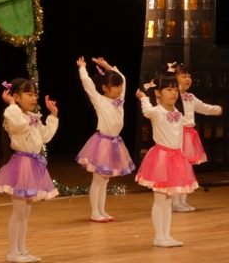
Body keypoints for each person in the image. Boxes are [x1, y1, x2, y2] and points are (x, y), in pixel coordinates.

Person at [0, 79, 58, 263]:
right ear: (17, 97)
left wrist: (53, 116)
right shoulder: (13, 116)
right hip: (21, 166)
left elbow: (45, 137)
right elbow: (19, 125)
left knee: (26, 213)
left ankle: (22, 249)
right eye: (29, 94)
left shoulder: (33, 117)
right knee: (18, 212)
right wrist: (12, 104)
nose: (34, 98)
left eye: (35, 94)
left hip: (33, 165)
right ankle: (12, 252)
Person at [135, 74, 198, 247]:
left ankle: (167, 235)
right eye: (169, 90)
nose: (173, 93)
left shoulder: (177, 112)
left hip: (176, 158)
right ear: (158, 93)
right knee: (160, 199)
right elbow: (147, 111)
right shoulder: (157, 111)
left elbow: (178, 137)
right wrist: (143, 97)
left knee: (168, 200)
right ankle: (159, 237)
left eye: (175, 90)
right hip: (161, 159)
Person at [75, 57, 135, 222]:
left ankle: (102, 210)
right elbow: (87, 84)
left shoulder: (119, 100)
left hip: (114, 142)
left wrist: (106, 66)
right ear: (104, 88)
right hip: (102, 143)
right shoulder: (100, 100)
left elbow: (123, 78)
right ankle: (95, 212)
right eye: (115, 86)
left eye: (120, 86)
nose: (120, 89)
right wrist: (82, 68)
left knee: (105, 180)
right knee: (98, 179)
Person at [171, 63, 222, 212]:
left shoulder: (190, 97)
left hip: (189, 136)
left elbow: (203, 107)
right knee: (178, 168)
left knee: (188, 169)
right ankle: (175, 202)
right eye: (183, 76)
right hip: (177, 135)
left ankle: (183, 200)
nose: (188, 79)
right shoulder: (172, 96)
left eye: (189, 76)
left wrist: (218, 109)